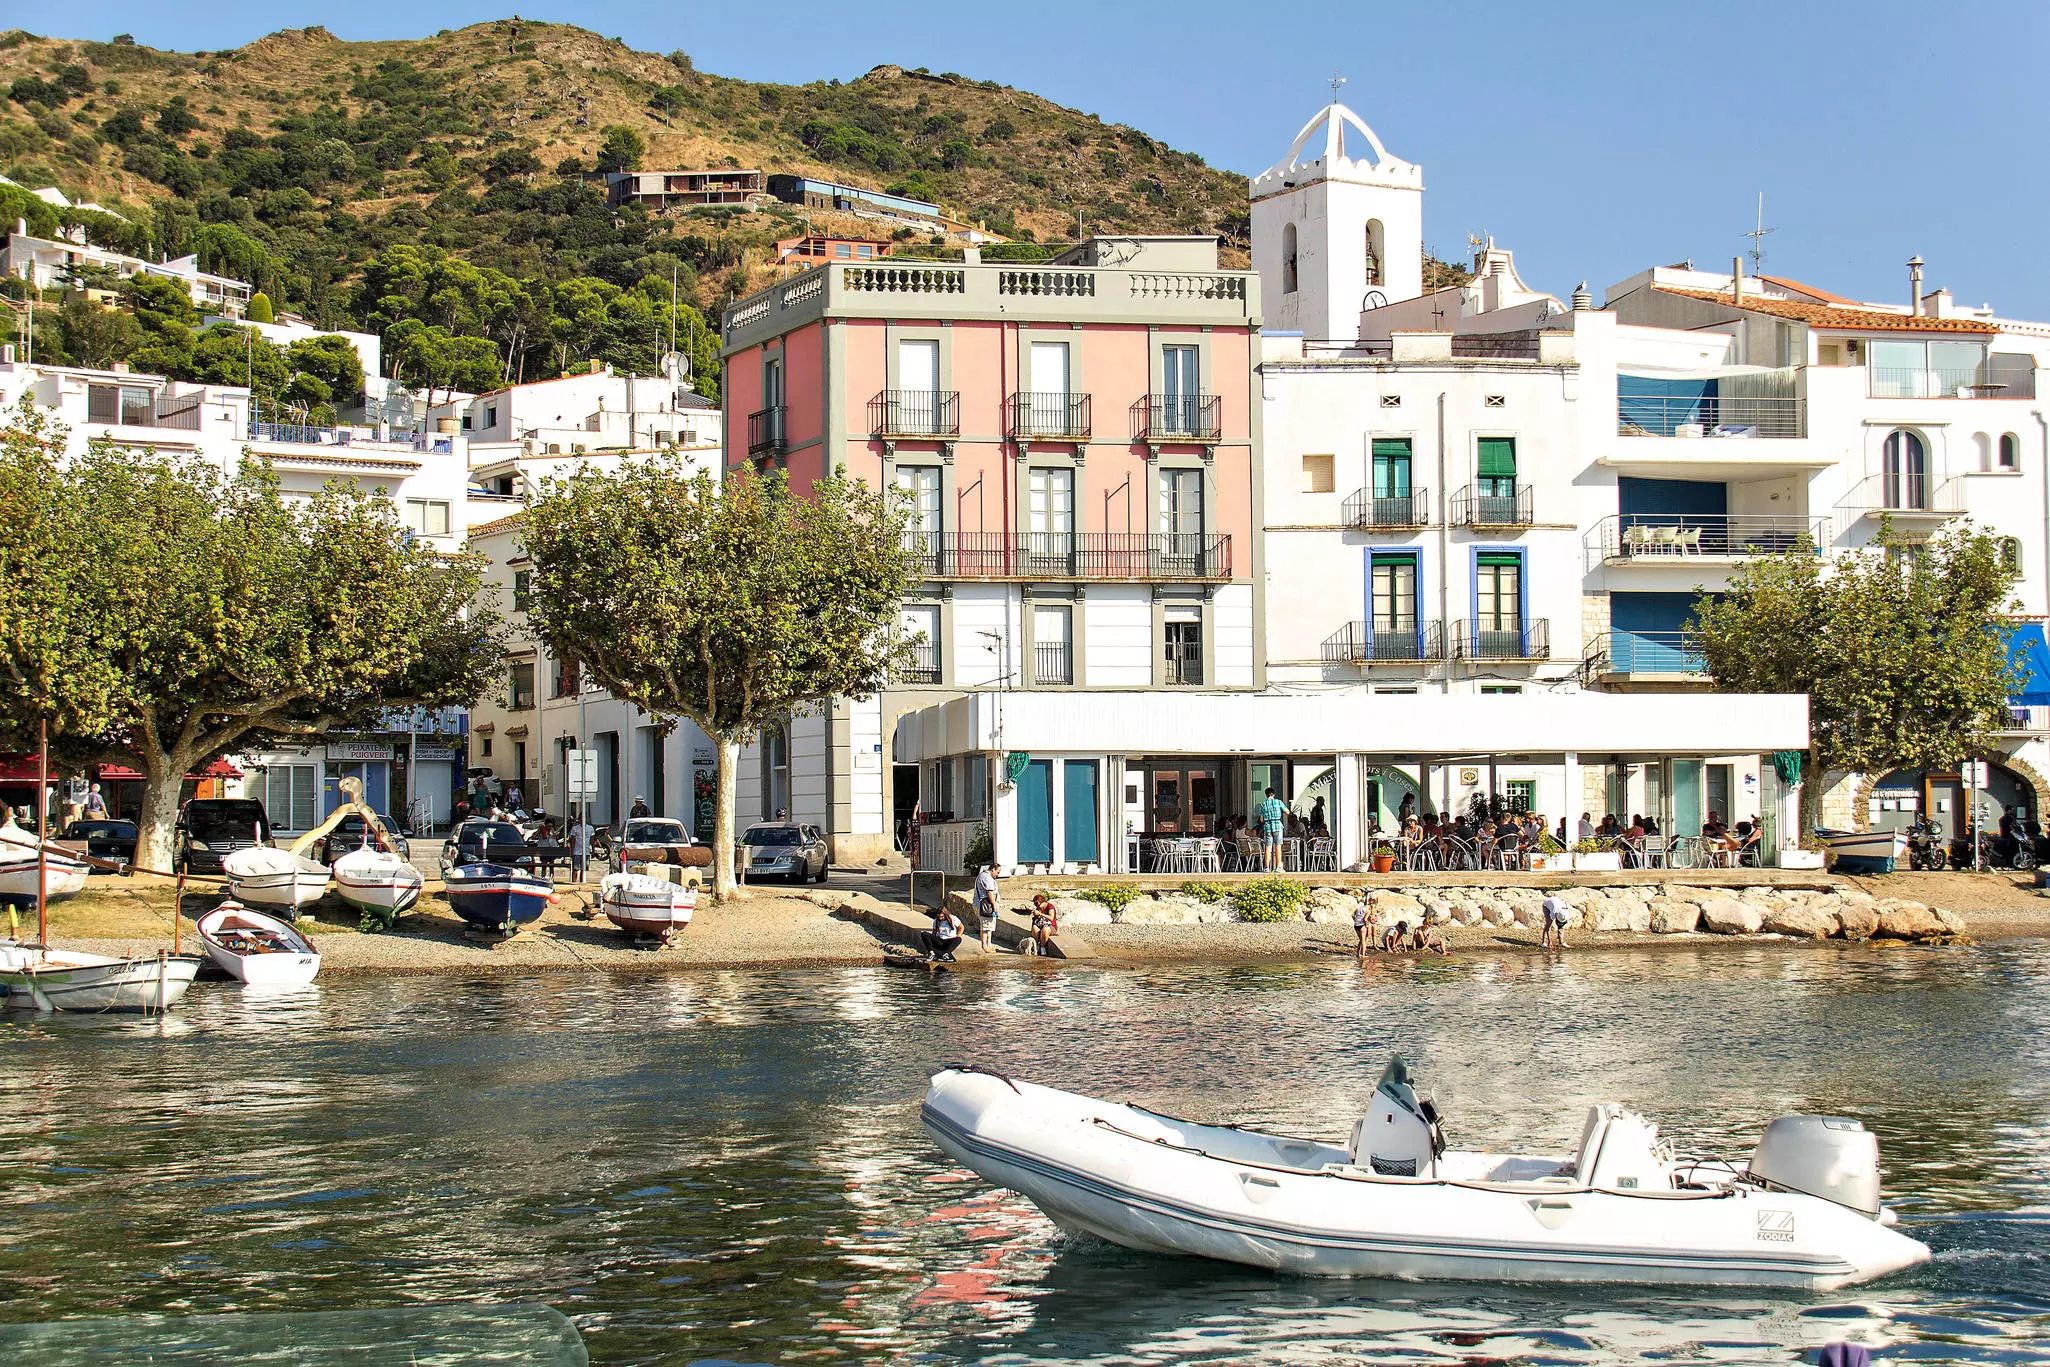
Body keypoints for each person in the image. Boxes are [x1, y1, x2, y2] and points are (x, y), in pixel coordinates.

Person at [972, 862, 1002, 951]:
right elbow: (990, 892)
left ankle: (989, 944)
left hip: (985, 906)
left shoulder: (985, 876)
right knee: (985, 927)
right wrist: (994, 905)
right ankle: (985, 946)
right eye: (997, 872)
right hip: (985, 906)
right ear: (993, 869)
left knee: (989, 927)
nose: (997, 875)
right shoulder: (986, 877)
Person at [1258, 786, 1288, 871]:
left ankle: (1266, 867)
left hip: (1268, 826)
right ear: (1273, 794)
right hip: (1277, 825)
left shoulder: (1263, 804)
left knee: (1268, 847)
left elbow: (1261, 819)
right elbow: (1287, 812)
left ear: (1266, 795)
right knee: (1278, 846)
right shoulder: (1278, 802)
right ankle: (1278, 867)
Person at [570, 810, 593, 884]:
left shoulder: (590, 828)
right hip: (577, 851)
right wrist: (572, 851)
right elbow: (572, 841)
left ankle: (582, 883)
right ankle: (574, 883)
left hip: (586, 851)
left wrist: (593, 849)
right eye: (581, 818)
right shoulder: (575, 828)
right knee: (575, 869)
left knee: (584, 869)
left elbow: (592, 839)